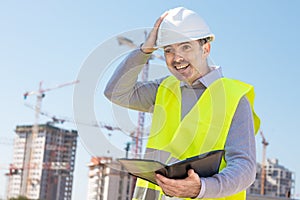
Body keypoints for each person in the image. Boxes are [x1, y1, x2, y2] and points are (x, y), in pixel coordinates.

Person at [104, 7, 260, 200]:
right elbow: (115, 92)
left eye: (185, 47)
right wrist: (145, 50)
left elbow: (244, 167)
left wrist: (201, 188)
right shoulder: (163, 88)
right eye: (169, 50)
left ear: (205, 49)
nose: (177, 58)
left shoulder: (234, 97)